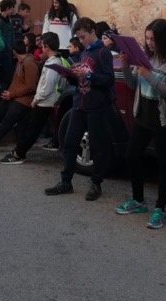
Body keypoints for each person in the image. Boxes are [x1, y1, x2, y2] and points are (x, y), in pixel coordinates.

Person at [116, 19, 166, 229]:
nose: (149, 43)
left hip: (163, 119)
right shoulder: (145, 58)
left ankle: (160, 209)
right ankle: (138, 200)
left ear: (163, 39)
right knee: (131, 156)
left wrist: (150, 76)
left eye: (153, 39)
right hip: (143, 115)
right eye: (147, 38)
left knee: (163, 164)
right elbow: (132, 84)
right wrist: (126, 65)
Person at [45, 17, 114, 201]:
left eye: (83, 37)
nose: (81, 41)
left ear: (92, 31)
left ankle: (96, 183)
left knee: (97, 146)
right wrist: (69, 75)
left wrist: (88, 75)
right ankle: (65, 181)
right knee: (69, 143)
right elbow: (81, 80)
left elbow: (108, 80)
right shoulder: (84, 53)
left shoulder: (103, 53)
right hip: (79, 103)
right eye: (79, 38)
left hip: (96, 106)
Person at [0, 32, 68, 164]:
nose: (41, 48)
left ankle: (19, 154)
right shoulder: (58, 60)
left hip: (45, 102)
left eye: (42, 45)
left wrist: (36, 99)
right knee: (32, 127)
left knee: (32, 130)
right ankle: (19, 150)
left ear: (46, 46)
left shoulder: (52, 64)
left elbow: (47, 86)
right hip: (48, 100)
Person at [0, 40, 39, 156]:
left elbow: (30, 87)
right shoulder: (19, 62)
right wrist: (8, 94)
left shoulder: (29, 64)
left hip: (24, 100)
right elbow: (16, 83)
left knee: (8, 120)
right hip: (13, 97)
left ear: (14, 51)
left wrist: (12, 94)